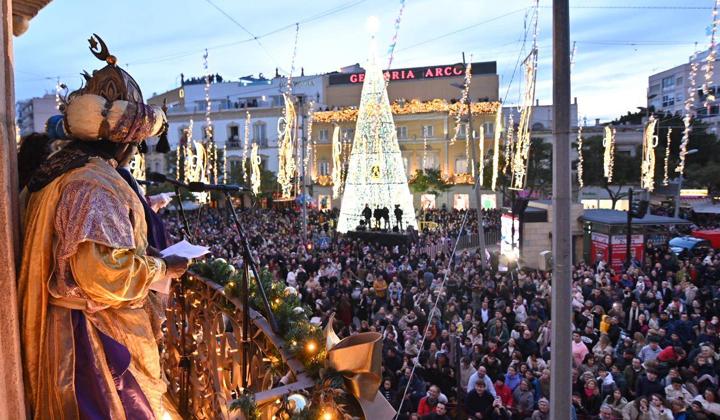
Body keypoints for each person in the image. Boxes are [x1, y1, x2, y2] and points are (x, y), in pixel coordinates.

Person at [18, 36, 189, 418]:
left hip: (70, 329)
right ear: (125, 143)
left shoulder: (62, 171)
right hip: (92, 343)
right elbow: (101, 274)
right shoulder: (93, 184)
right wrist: (163, 267)